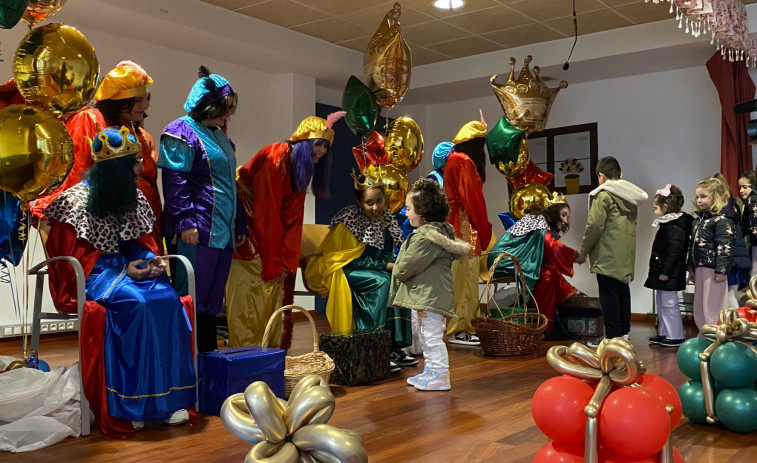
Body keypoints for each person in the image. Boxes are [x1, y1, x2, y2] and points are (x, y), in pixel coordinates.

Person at [44, 126, 196, 435]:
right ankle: (132, 404)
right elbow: (72, 257)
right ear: (116, 169)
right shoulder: (75, 202)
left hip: (126, 268)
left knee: (167, 298)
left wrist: (148, 261)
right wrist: (127, 272)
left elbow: (133, 241)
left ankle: (169, 401)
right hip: (91, 274)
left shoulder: (130, 195)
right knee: (137, 303)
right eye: (133, 164)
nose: (139, 169)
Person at [227, 112, 343, 348]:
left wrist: (287, 263)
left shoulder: (303, 166)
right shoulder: (275, 158)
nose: (321, 150)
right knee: (252, 290)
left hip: (266, 225)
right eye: (317, 143)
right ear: (302, 141)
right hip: (247, 223)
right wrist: (273, 263)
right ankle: (247, 357)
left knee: (274, 290)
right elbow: (265, 213)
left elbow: (292, 218)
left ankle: (271, 356)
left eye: (325, 146)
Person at [158, 66, 247, 353]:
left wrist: (240, 224)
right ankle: (185, 362)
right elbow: (175, 181)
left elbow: (230, 184)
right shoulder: (180, 131)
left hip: (222, 232)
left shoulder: (221, 137)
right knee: (191, 297)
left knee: (211, 300)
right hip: (197, 231)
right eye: (223, 109)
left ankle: (207, 359)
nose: (227, 116)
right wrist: (184, 222)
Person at [33, 61, 164, 253]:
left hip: (140, 224)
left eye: (146, 99)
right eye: (137, 100)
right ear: (117, 101)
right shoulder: (89, 119)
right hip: (102, 223)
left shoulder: (141, 135)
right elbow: (74, 172)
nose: (144, 106)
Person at [305, 171, 414, 373]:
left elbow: (386, 255)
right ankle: (373, 347)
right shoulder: (349, 221)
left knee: (398, 280)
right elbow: (350, 259)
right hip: (344, 269)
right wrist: (386, 267)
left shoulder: (387, 221)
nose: (375, 207)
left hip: (371, 269)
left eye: (379, 201)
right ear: (359, 202)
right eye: (369, 203)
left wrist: (394, 266)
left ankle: (393, 346)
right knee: (382, 282)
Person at [389, 179, 471, 391]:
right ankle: (432, 371)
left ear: (423, 210)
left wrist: (397, 267)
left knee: (432, 336)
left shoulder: (426, 237)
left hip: (430, 295)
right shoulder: (437, 232)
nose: (406, 214)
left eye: (408, 209)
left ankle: (441, 374)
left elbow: (404, 267)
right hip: (429, 294)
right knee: (427, 335)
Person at [488, 201, 585, 340]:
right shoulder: (538, 223)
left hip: (516, 259)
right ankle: (542, 325)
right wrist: (575, 256)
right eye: (563, 215)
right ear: (553, 212)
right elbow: (552, 247)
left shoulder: (540, 223)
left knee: (548, 271)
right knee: (547, 276)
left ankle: (545, 324)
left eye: (567, 217)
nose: (565, 221)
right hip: (503, 260)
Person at [581, 156, 647, 347]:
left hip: (607, 252)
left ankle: (611, 336)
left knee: (608, 293)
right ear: (621, 175)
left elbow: (594, 225)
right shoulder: (631, 197)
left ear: (601, 176)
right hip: (626, 252)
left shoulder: (602, 195)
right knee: (622, 290)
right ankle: (623, 333)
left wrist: (584, 250)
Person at [444, 116, 492, 346]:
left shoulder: (454, 159)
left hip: (454, 224)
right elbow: (473, 200)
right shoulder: (463, 161)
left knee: (461, 279)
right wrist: (485, 229)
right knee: (466, 281)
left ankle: (461, 326)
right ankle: (460, 327)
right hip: (464, 227)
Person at [644, 184, 693, 347]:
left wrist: (666, 270)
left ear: (665, 207)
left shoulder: (675, 226)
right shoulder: (669, 223)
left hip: (669, 273)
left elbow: (674, 250)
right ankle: (665, 333)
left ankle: (675, 335)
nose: (654, 211)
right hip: (663, 272)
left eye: (655, 208)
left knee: (669, 304)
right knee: (662, 303)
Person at [688, 177, 734, 330]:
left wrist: (721, 270)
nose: (699, 200)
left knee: (713, 304)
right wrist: (691, 269)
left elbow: (725, 246)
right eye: (697, 197)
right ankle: (704, 331)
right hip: (700, 268)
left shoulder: (721, 221)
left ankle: (716, 332)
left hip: (713, 269)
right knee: (700, 303)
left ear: (715, 198)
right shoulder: (698, 222)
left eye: (703, 196)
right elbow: (692, 247)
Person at [712, 173, 750, 308]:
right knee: (733, 294)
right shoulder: (734, 205)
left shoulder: (722, 211)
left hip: (731, 260)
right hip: (738, 259)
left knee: (729, 295)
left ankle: (736, 325)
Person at [738, 170, 757, 275]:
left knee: (754, 274)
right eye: (740, 187)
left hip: (756, 244)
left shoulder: (753, 199)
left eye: (745, 187)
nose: (741, 190)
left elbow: (751, 225)